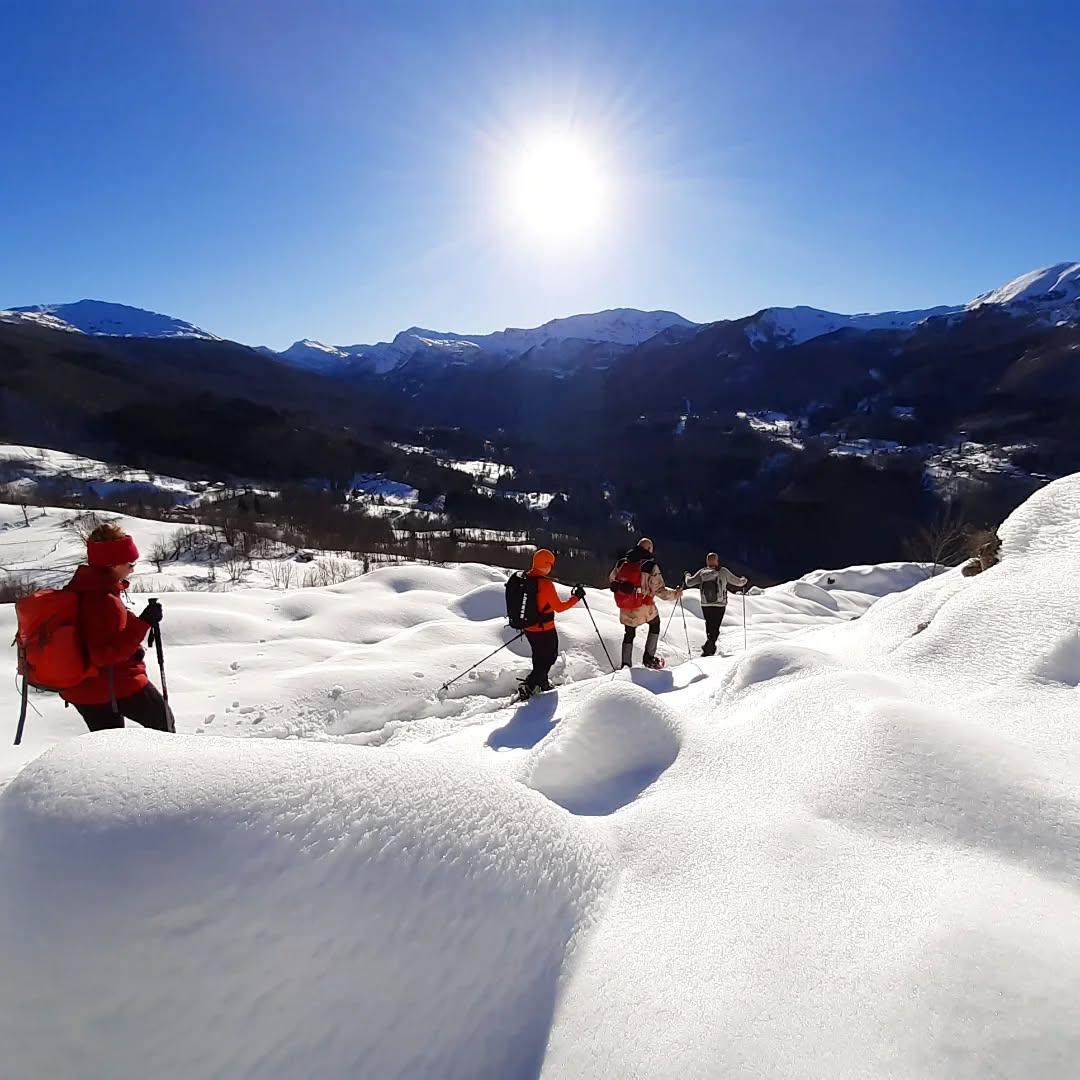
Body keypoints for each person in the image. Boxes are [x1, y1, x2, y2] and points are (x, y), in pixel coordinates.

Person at [60, 523, 175, 732]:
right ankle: (170, 765)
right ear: (113, 565)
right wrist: (144, 624)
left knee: (110, 747)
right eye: (130, 563)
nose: (133, 568)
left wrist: (138, 620)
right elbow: (105, 655)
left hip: (83, 688)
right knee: (164, 725)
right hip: (114, 684)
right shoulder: (102, 599)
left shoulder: (82, 588)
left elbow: (104, 628)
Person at [517, 548, 584, 702]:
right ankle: (531, 684)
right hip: (544, 628)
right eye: (550, 564)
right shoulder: (545, 584)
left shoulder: (524, 578)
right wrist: (576, 598)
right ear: (546, 565)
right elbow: (559, 607)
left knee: (538, 655)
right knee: (550, 657)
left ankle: (541, 682)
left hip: (528, 626)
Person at [609, 537, 681, 669]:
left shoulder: (622, 562)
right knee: (655, 624)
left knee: (629, 632)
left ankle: (625, 664)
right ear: (648, 549)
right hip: (642, 606)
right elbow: (660, 591)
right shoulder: (650, 565)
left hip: (625, 605)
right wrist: (676, 595)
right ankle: (649, 658)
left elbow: (612, 578)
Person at [684, 552, 747, 656]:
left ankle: (709, 647)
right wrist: (744, 580)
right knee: (715, 627)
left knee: (709, 625)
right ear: (717, 561)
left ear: (707, 561)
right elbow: (738, 582)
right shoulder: (723, 571)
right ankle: (708, 649)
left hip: (705, 604)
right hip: (719, 604)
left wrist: (687, 575)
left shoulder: (702, 572)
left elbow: (689, 582)